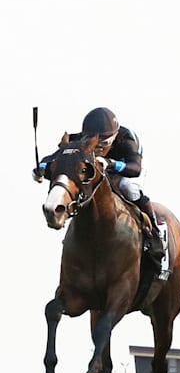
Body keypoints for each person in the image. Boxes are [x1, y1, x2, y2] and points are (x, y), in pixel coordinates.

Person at [32, 107, 170, 280]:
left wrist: (111, 163)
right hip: (103, 169)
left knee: (128, 188)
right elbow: (53, 159)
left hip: (128, 167)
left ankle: (157, 231)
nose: (98, 147)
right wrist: (40, 169)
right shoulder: (80, 140)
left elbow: (135, 169)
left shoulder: (126, 139)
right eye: (93, 141)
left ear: (113, 136)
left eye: (103, 143)